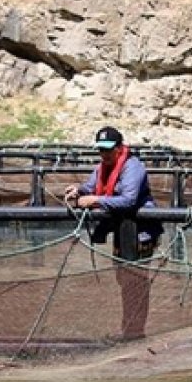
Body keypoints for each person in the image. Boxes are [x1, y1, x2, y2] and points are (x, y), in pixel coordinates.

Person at [64, 126, 164, 342]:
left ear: (119, 148)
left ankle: (134, 332)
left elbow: (129, 200)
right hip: (122, 230)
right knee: (124, 278)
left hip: (141, 232)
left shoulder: (133, 168)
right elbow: (90, 186)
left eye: (108, 149)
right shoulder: (103, 167)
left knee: (135, 281)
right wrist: (79, 190)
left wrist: (95, 200)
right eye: (101, 150)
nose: (104, 154)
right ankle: (130, 329)